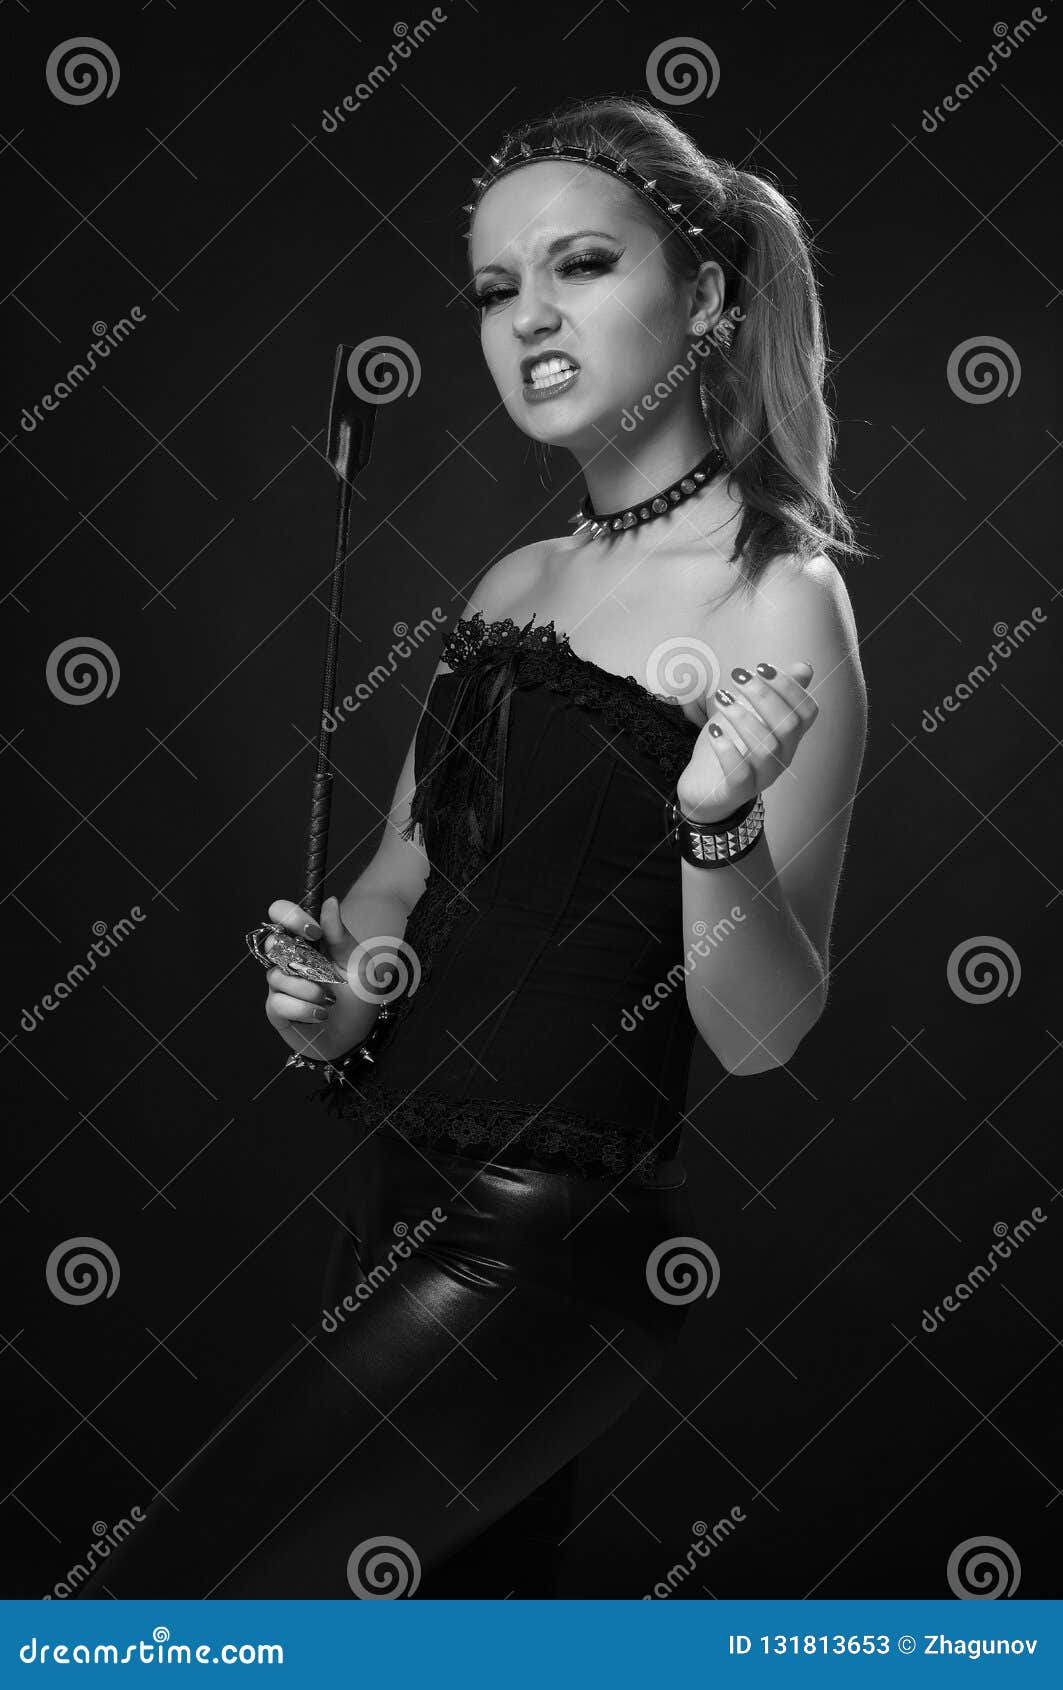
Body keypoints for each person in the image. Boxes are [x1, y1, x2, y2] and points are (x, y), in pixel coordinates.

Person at [73, 94, 866, 1599]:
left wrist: (717, 825)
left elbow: (760, 1035)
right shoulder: (515, 580)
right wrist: (340, 988)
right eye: (498, 290)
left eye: (581, 265)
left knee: (174, 1606)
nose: (529, 318)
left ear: (704, 296)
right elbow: (405, 877)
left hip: (546, 1249)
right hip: (396, 1199)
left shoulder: (777, 589)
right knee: (435, 1640)